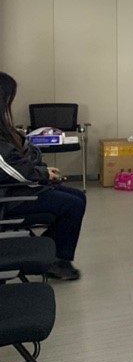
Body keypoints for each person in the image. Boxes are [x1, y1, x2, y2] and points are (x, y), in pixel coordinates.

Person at [0, 72, 85, 280]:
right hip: (10, 196)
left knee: (78, 197)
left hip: (20, 187)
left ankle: (53, 254)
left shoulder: (5, 128)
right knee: (72, 205)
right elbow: (12, 170)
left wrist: (40, 169)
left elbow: (25, 155)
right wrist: (43, 173)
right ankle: (54, 258)